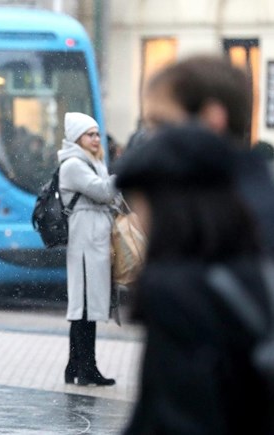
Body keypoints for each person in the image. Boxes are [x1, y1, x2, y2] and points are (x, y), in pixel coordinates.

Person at [115, 124, 273, 434]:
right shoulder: (251, 270)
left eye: (140, 203)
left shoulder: (175, 290)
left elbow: (176, 417)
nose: (138, 219)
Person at [138, 55, 274, 254]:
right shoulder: (179, 201)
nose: (150, 137)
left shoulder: (226, 219)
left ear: (212, 119)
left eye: (161, 124)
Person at [58, 112, 118, 386]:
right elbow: (105, 192)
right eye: (89, 134)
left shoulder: (91, 162)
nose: (96, 139)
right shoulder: (74, 164)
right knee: (83, 308)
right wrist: (124, 174)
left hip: (92, 241)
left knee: (86, 309)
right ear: (76, 138)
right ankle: (85, 368)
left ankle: (77, 367)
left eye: (96, 134)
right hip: (85, 243)